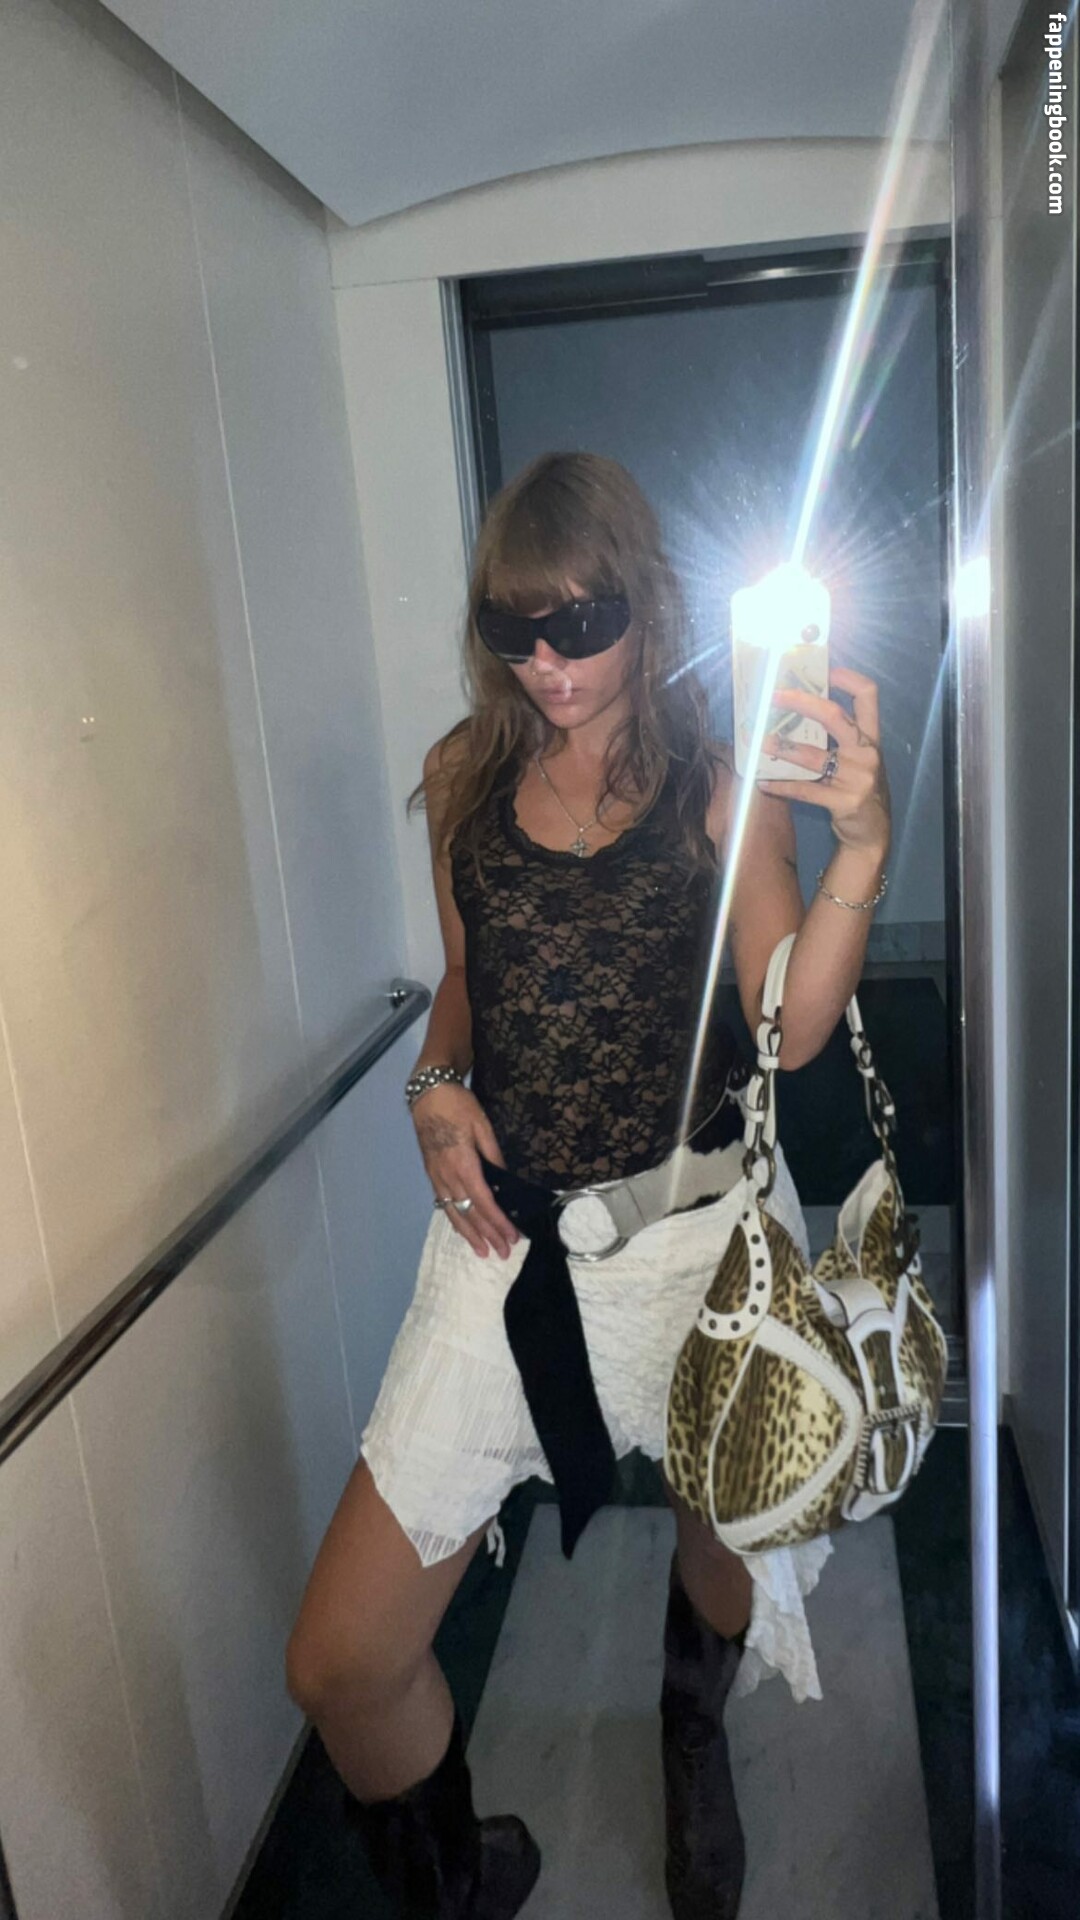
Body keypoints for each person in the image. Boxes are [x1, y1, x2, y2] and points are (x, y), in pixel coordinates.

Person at [285, 451, 892, 1919]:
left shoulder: (718, 786)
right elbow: (466, 982)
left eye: (582, 621)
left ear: (646, 603)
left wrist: (863, 842)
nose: (548, 661)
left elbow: (789, 1028)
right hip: (509, 1251)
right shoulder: (463, 773)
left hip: (699, 1242)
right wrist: (435, 1088)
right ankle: (456, 1879)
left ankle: (691, 1731)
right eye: (514, 626)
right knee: (343, 1661)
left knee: (716, 1528)